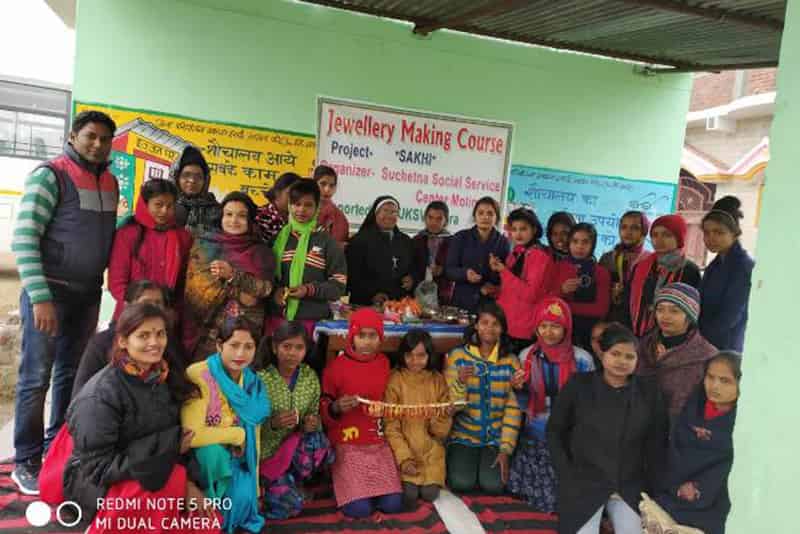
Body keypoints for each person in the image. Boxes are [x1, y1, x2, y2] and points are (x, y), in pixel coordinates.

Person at [10, 110, 119, 495]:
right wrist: (40, 298)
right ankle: (26, 460)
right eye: (90, 136)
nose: (97, 144)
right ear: (73, 137)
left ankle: (56, 449)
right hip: (50, 294)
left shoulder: (110, 182)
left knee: (71, 375)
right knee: (35, 377)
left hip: (87, 294)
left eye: (105, 139)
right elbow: (24, 239)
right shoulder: (51, 175)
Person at [64, 304, 219, 533]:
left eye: (160, 334)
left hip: (148, 468)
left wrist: (188, 483)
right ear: (123, 341)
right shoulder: (101, 395)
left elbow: (173, 438)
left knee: (206, 521)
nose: (155, 342)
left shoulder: (161, 377)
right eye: (143, 335)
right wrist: (169, 451)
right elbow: (97, 468)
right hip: (96, 483)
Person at [547, 323, 668, 534]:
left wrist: (653, 488)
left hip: (629, 487)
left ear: (637, 360)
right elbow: (555, 431)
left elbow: (657, 442)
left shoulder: (649, 392)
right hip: (584, 484)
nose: (622, 361)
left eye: (629, 357)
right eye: (615, 354)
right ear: (602, 354)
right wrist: (567, 475)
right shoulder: (578, 386)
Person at [181, 317, 271, 533]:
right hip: (201, 462)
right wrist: (237, 435)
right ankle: (206, 506)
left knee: (243, 502)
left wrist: (255, 488)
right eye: (234, 345)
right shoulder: (199, 374)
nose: (240, 354)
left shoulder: (252, 383)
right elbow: (192, 436)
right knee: (212, 453)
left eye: (248, 347)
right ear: (219, 345)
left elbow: (254, 438)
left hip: (237, 458)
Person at [507, 297, 595, 511]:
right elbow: (522, 405)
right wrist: (519, 388)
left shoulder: (582, 359)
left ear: (567, 328)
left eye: (556, 326)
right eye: (543, 326)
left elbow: (590, 402)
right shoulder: (527, 356)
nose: (549, 332)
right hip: (535, 435)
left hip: (569, 438)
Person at [320, 308, 403, 517]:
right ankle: (350, 487)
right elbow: (324, 407)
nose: (367, 342)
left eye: (372, 335)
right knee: (359, 509)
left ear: (381, 338)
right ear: (352, 337)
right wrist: (336, 407)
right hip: (348, 443)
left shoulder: (384, 364)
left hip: (378, 441)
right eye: (361, 335)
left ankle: (370, 491)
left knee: (393, 505)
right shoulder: (336, 368)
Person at [653, 352, 740, 534]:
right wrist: (678, 486)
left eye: (725, 381)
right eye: (710, 377)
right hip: (675, 490)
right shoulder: (693, 406)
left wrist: (700, 486)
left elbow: (731, 464)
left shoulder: (743, 422)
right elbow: (676, 448)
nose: (714, 386)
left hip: (716, 499)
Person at [182, 192, 274, 361]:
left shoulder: (260, 252)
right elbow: (192, 286)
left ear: (250, 220)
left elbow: (264, 289)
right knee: (200, 375)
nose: (234, 220)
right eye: (229, 214)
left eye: (241, 216)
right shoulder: (204, 244)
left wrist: (232, 275)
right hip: (201, 330)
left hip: (240, 334)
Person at [257, 321, 335, 519]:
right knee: (292, 507)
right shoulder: (261, 379)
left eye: (299, 347)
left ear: (306, 350)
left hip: (294, 447)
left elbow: (314, 414)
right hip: (267, 454)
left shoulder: (309, 376)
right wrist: (273, 424)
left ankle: (294, 480)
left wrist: (312, 423)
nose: (292, 353)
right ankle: (266, 485)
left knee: (320, 444)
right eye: (286, 346)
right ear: (274, 347)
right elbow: (249, 425)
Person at [445, 302, 522, 494]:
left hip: (495, 439)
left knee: (494, 485)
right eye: (485, 322)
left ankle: (483, 465)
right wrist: (460, 382)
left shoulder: (511, 361)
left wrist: (505, 449)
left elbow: (513, 409)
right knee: (461, 483)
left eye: (496, 324)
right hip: (464, 435)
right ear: (476, 326)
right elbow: (451, 406)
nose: (490, 328)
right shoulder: (458, 356)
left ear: (502, 329)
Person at [271, 179, 347, 341]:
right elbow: (267, 277)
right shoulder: (278, 239)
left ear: (317, 207)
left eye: (308, 205)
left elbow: (338, 286)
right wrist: (275, 291)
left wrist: (309, 290)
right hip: (277, 320)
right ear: (289, 205)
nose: (301, 210)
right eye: (296, 204)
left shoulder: (327, 243)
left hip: (312, 324)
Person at [384, 329, 452, 509]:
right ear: (402, 355)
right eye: (409, 355)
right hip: (405, 450)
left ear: (430, 356)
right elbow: (391, 426)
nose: (415, 361)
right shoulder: (395, 379)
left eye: (421, 356)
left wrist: (444, 415)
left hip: (431, 453)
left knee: (430, 494)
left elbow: (441, 433)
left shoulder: (438, 380)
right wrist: (404, 460)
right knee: (409, 495)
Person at [108, 178, 193, 321]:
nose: (164, 211)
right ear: (145, 204)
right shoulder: (127, 234)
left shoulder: (183, 238)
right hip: (130, 316)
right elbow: (116, 282)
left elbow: (183, 284)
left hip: (166, 317)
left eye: (170, 206)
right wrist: (139, 310)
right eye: (158, 205)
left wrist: (172, 311)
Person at [72, 280, 171, 397]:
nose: (153, 308)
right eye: (146, 303)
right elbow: (82, 395)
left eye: (158, 303)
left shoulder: (165, 342)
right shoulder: (101, 344)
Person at [637, 283, 717, 421]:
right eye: (660, 310)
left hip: (680, 427)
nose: (665, 316)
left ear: (690, 316)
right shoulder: (643, 346)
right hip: (640, 423)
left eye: (674, 311)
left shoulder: (707, 356)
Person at [626, 214, 701, 337]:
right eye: (655, 235)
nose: (659, 240)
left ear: (679, 238)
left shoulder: (688, 270)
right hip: (637, 335)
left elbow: (690, 312)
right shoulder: (640, 267)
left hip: (671, 338)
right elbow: (627, 302)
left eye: (667, 235)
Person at [492, 207, 553, 351]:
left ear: (534, 229)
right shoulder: (517, 252)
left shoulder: (538, 255)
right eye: (514, 229)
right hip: (506, 323)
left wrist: (503, 271)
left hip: (522, 328)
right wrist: (495, 289)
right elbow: (511, 289)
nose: (518, 234)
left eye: (523, 229)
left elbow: (529, 294)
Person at [699, 196, 755, 352]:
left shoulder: (743, 267)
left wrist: (700, 341)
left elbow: (730, 317)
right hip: (706, 343)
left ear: (734, 234)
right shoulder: (715, 265)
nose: (711, 238)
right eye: (707, 232)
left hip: (725, 348)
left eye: (719, 232)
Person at [551, 223, 611, 350]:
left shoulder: (600, 272)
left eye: (585, 242)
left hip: (588, 334)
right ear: (569, 242)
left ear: (592, 245)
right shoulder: (557, 267)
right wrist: (562, 291)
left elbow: (601, 309)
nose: (579, 246)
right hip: (558, 330)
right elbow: (548, 302)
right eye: (575, 241)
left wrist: (566, 307)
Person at [346, 196, 414, 306]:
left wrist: (411, 278)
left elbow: (413, 267)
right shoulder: (359, 240)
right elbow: (352, 274)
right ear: (376, 213)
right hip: (366, 303)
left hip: (398, 305)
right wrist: (372, 294)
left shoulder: (406, 241)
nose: (389, 215)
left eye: (393, 212)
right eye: (385, 211)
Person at [446, 197, 510, 313]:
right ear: (474, 216)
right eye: (480, 213)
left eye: (490, 213)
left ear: (496, 218)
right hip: (463, 301)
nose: (485, 217)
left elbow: (506, 276)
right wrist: (465, 274)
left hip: (490, 303)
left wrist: (495, 271)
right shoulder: (460, 237)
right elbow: (449, 270)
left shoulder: (503, 242)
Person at [599, 211, 651, 322]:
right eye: (624, 227)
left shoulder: (650, 261)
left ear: (644, 231)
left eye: (635, 228)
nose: (628, 232)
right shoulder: (607, 259)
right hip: (609, 319)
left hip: (638, 321)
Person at [170, 145, 221, 237]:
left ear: (205, 180)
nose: (192, 180)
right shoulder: (165, 207)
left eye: (198, 176)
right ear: (176, 177)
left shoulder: (218, 212)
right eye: (186, 175)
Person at [411, 201, 453, 306]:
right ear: (425, 218)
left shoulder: (453, 242)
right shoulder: (416, 240)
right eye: (430, 217)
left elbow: (458, 268)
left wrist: (443, 270)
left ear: (446, 221)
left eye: (439, 219)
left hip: (443, 295)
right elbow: (411, 266)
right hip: (417, 293)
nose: (434, 222)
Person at [255, 172, 300, 245]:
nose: (295, 199)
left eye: (298, 195)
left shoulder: (298, 218)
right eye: (290, 194)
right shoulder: (261, 217)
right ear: (277, 193)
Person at [313, 165, 350, 244]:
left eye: (331, 185)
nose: (327, 189)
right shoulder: (301, 210)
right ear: (313, 184)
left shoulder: (340, 218)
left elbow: (340, 246)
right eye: (323, 184)